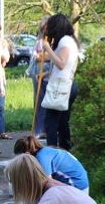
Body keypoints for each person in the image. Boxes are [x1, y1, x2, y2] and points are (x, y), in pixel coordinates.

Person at [41, 14, 79, 150]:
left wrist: (47, 48)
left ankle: (51, 151)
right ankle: (65, 148)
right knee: (62, 121)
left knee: (51, 121)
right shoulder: (70, 41)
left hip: (61, 87)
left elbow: (61, 64)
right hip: (67, 84)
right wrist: (47, 73)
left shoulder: (65, 41)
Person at [14, 135, 89, 193]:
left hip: (77, 189)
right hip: (80, 185)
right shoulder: (47, 150)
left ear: (27, 154)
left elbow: (46, 183)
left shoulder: (42, 158)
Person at [26, 18, 51, 138]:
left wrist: (45, 56)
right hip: (38, 74)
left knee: (49, 102)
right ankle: (38, 129)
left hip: (49, 74)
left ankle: (47, 128)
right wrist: (45, 56)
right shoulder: (39, 42)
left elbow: (52, 56)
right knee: (39, 101)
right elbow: (36, 57)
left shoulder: (53, 42)